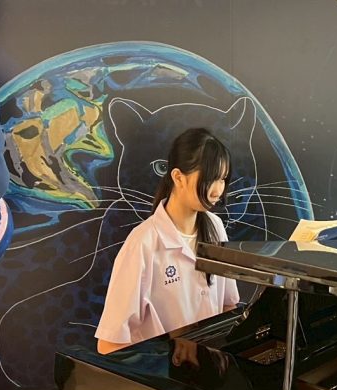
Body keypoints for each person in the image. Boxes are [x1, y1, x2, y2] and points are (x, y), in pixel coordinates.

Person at [96, 128, 240, 354]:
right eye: (211, 178)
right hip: (164, 371)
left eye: (222, 179)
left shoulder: (216, 228)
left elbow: (228, 306)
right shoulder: (143, 243)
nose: (218, 191)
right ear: (178, 177)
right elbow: (109, 344)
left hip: (209, 366)